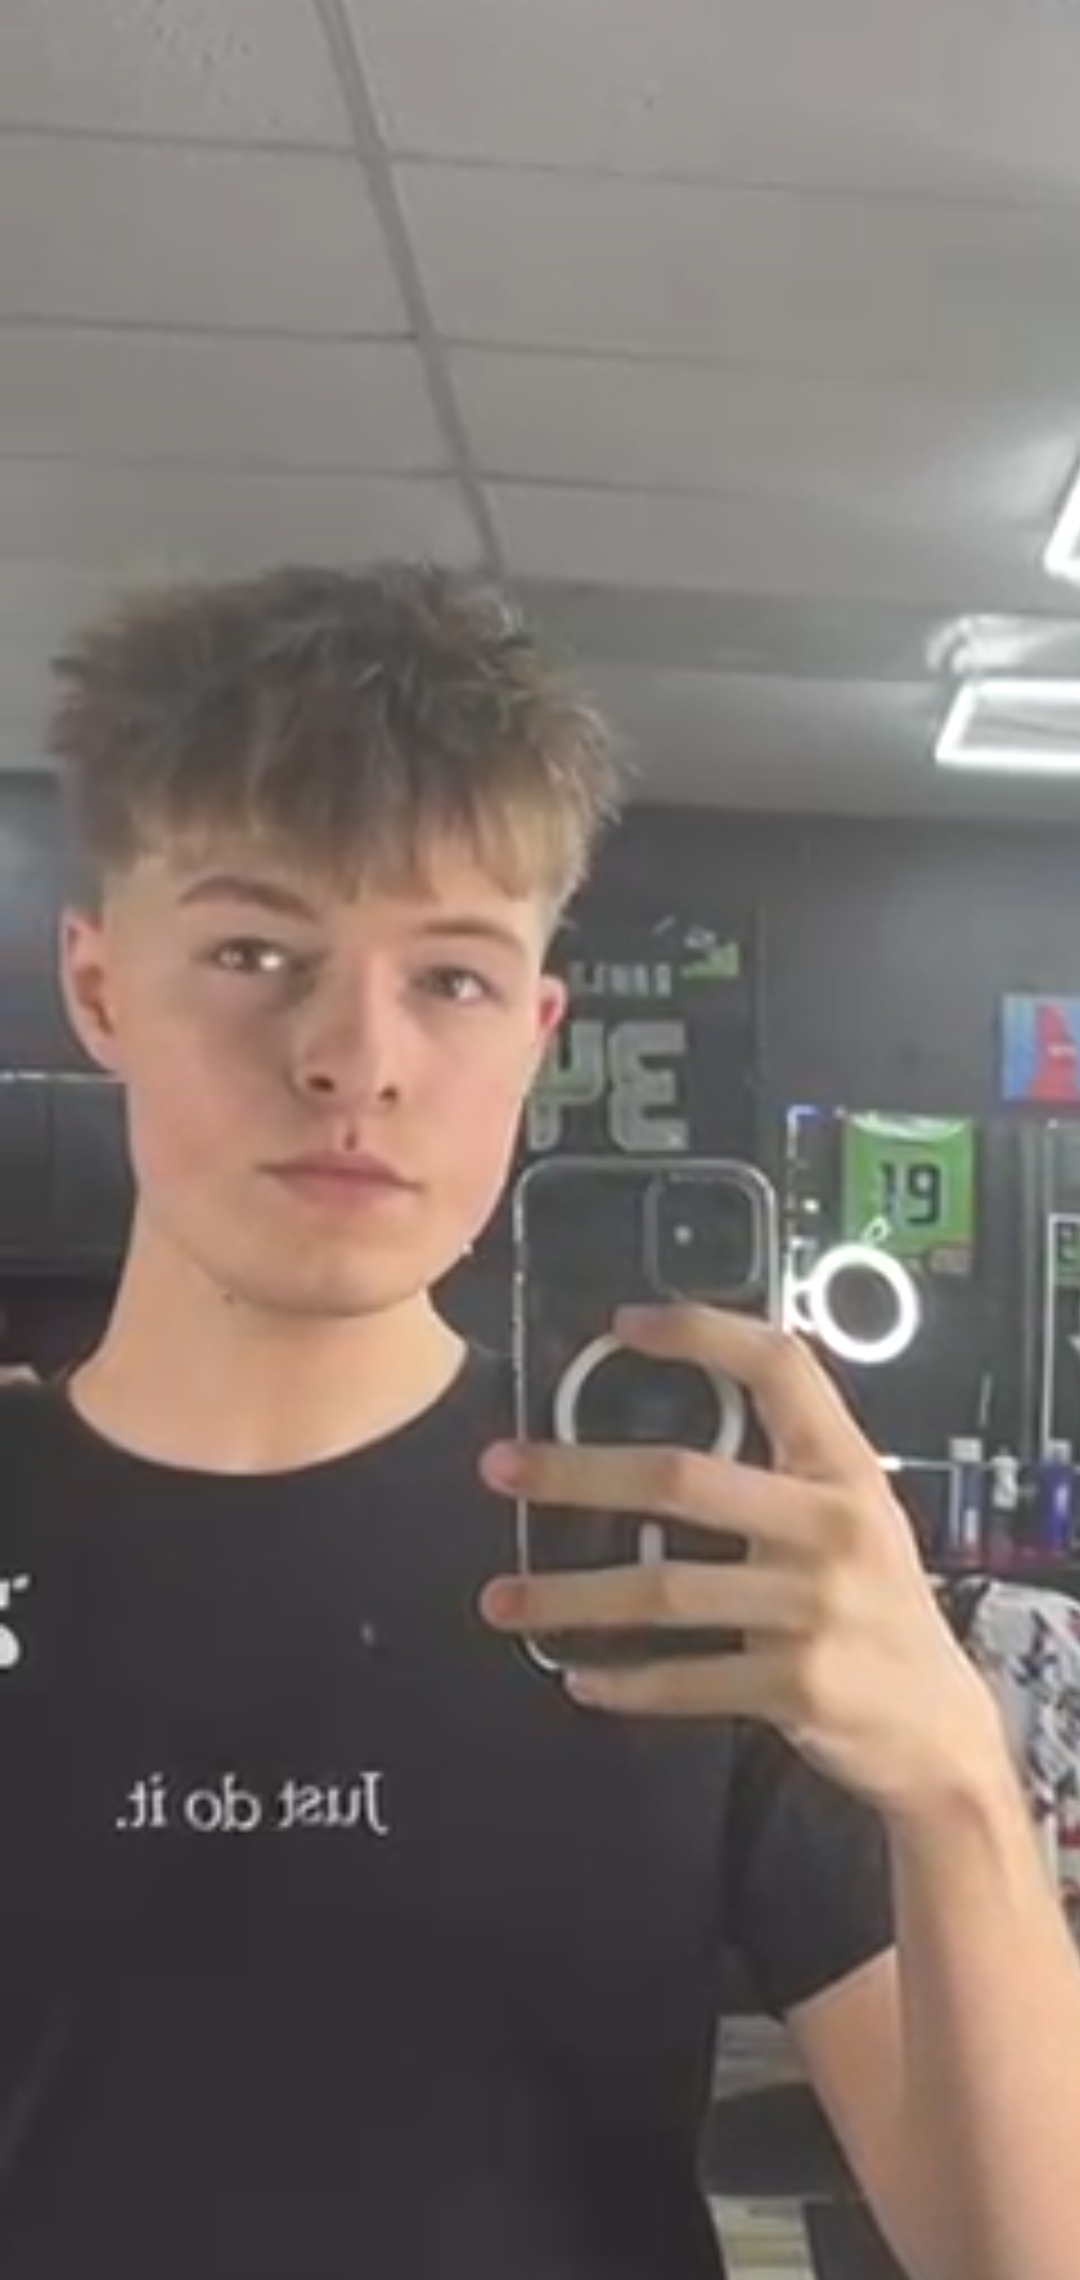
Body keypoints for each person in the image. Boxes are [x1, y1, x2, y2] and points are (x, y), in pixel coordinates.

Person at [0, 564, 1078, 2280]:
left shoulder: (689, 1550)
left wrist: (954, 1778)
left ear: (535, 1032)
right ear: (101, 983)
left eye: (451, 979)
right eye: (254, 950)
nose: (355, 1058)